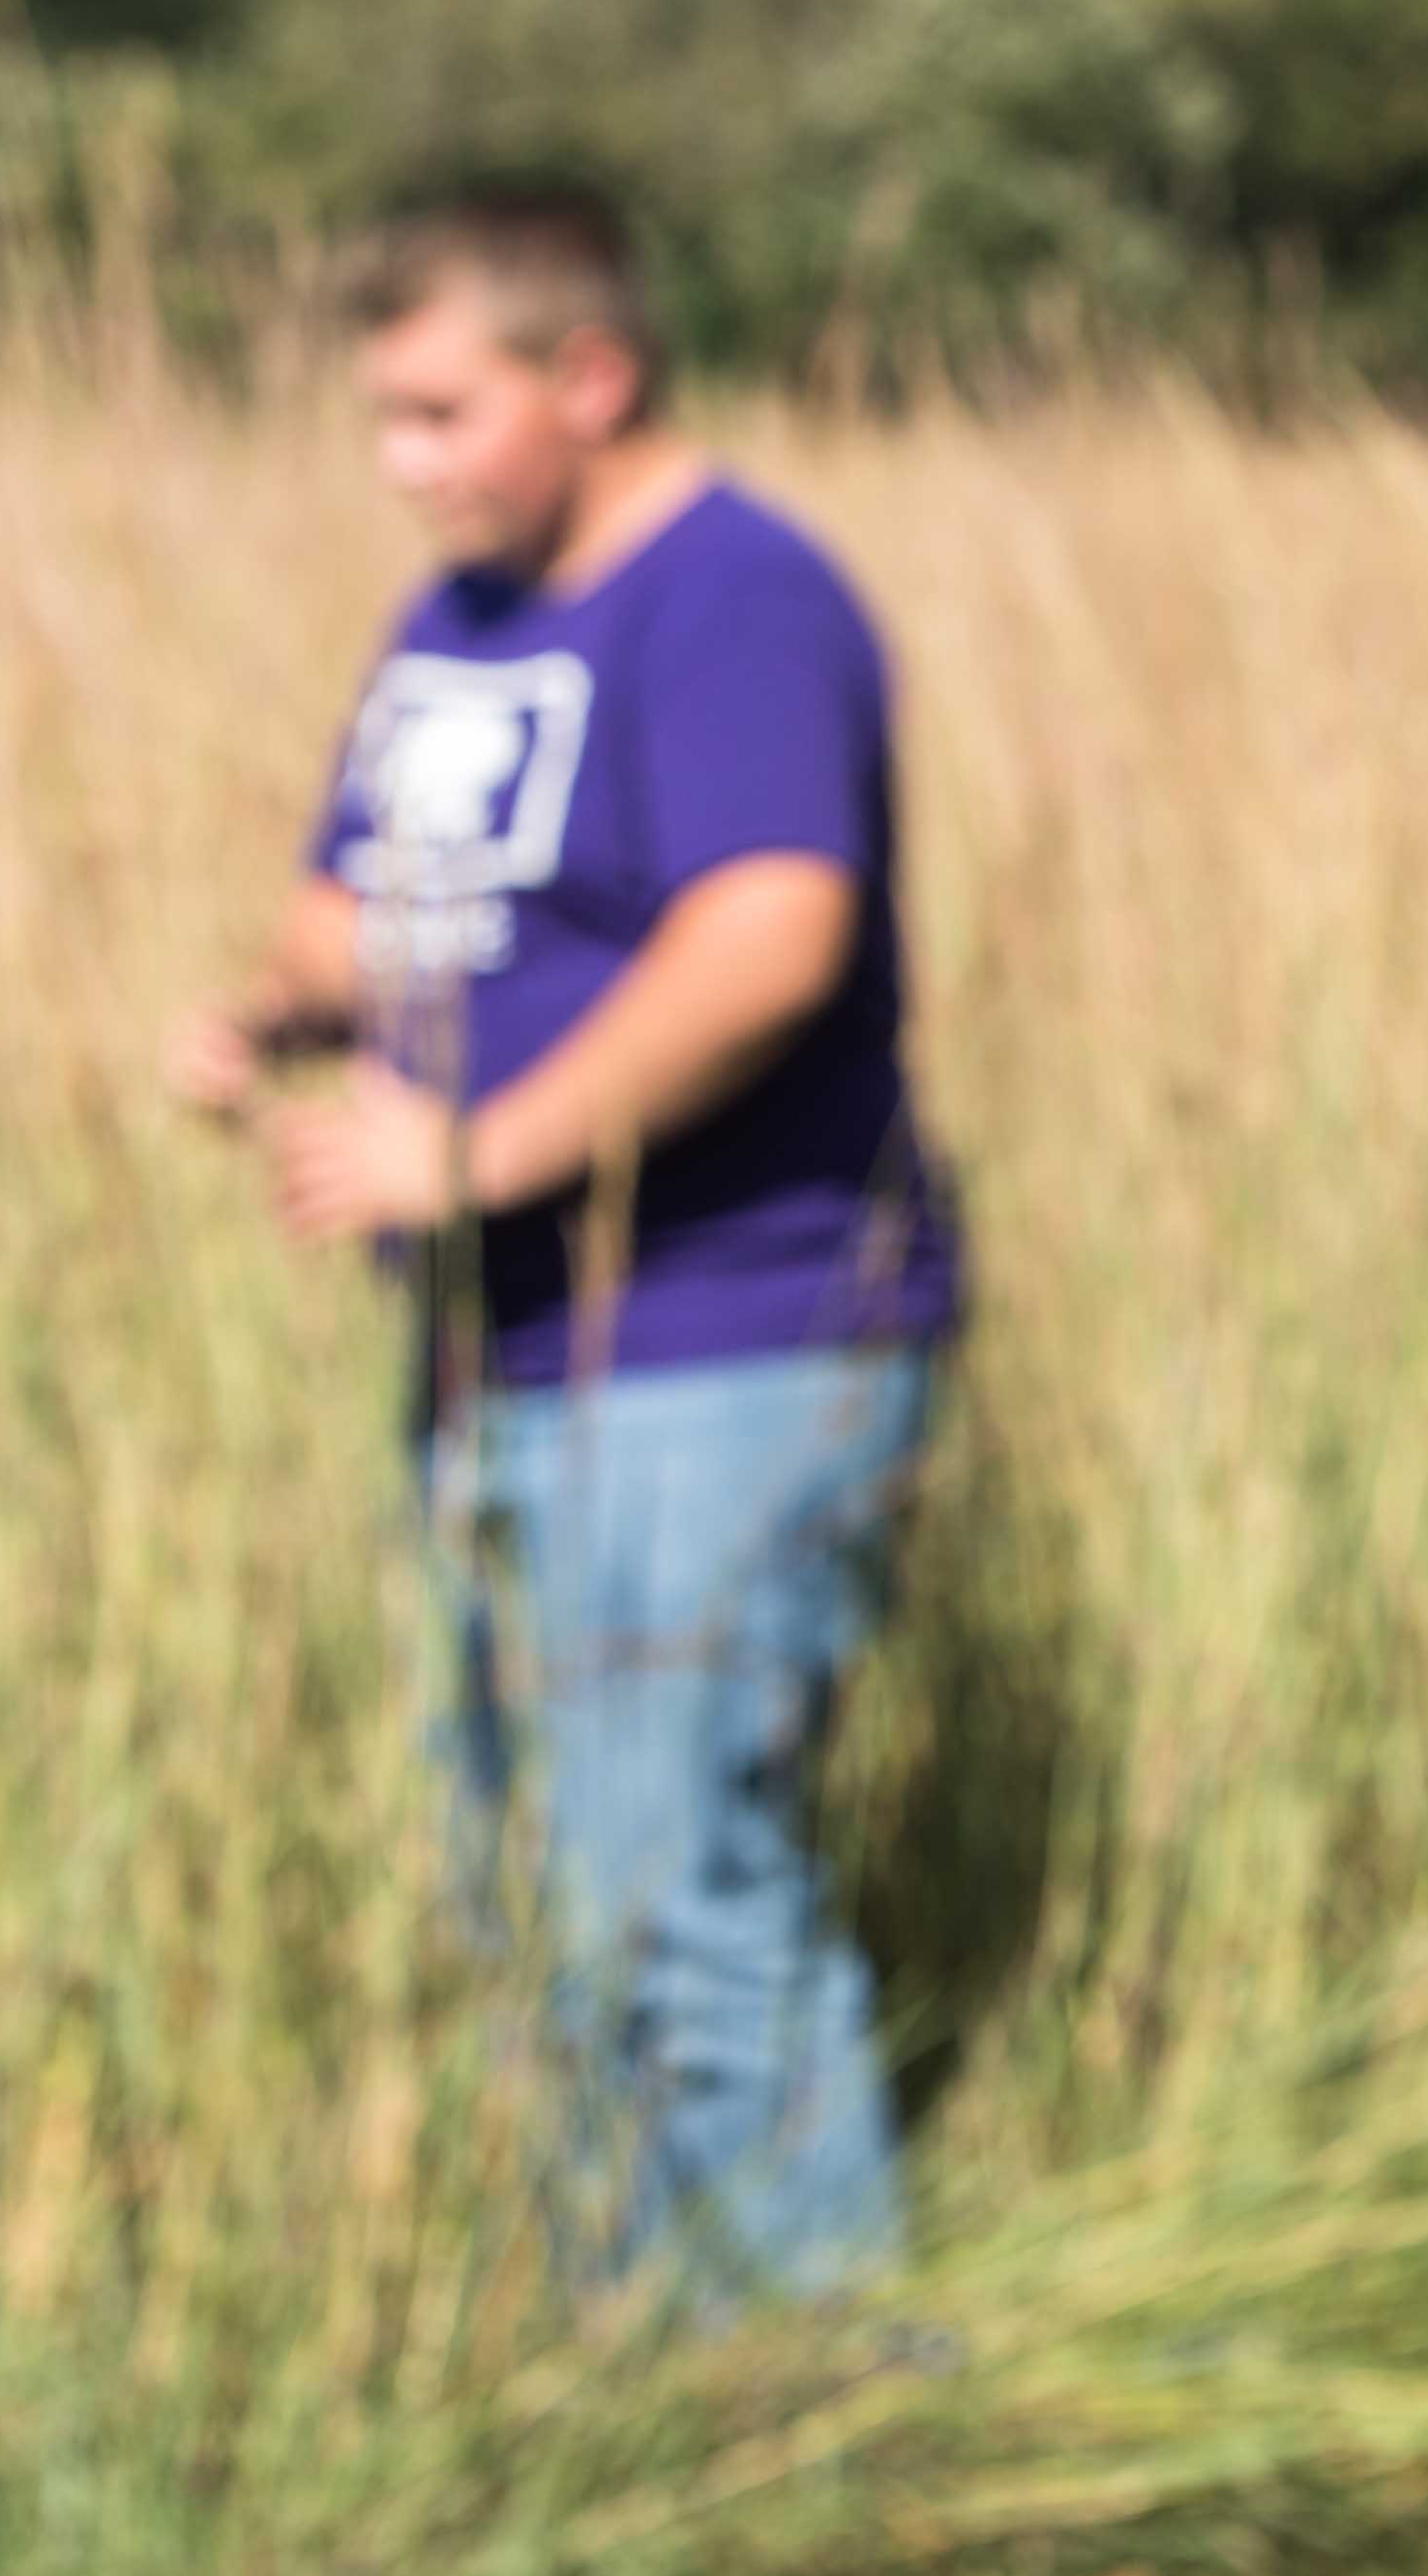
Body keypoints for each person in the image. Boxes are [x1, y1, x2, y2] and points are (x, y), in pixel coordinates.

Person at [168, 178, 957, 2301]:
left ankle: (825, 2408)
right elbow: (368, 898)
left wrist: (480, 1150)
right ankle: (632, 2375)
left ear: (588, 377)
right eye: (382, 419)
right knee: (529, 1870)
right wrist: (272, 1009)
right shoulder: (462, 621)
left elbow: (771, 935)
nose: (401, 464)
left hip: (731, 1330)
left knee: (674, 1871)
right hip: (501, 1354)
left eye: (439, 412)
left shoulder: (735, 602)